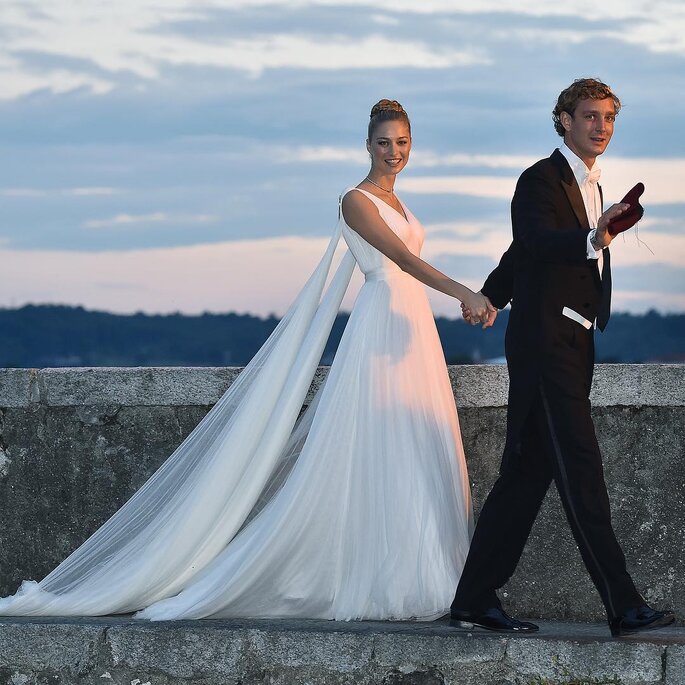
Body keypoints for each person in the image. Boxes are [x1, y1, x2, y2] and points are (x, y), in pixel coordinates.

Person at [0, 99, 492, 621]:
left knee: (416, 452)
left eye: (402, 143)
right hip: (380, 324)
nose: (393, 152)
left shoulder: (403, 202)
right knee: (376, 451)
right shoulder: (355, 201)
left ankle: (424, 576)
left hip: (413, 332)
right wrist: (465, 291)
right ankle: (377, 579)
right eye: (383, 143)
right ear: (366, 145)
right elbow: (403, 260)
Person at [451, 78, 675, 637]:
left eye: (609, 118)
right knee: (581, 466)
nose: (601, 127)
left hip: (576, 343)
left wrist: (490, 296)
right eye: (590, 116)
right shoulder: (538, 180)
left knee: (525, 475)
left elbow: (519, 253)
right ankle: (624, 605)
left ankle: (474, 600)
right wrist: (592, 236)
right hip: (544, 342)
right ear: (564, 121)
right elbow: (539, 240)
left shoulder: (595, 186)